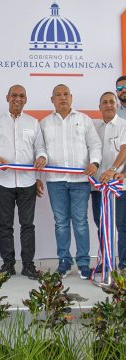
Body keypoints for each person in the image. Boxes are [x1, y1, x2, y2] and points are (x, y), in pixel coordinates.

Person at [0, 85, 47, 280]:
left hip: (27, 182)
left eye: (21, 96)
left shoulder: (33, 123)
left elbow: (40, 149)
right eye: (14, 95)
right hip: (3, 181)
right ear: (7, 97)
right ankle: (8, 265)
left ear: (25, 100)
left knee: (28, 225)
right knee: (5, 225)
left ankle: (28, 265)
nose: (17, 99)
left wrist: (42, 159)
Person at [40, 84, 102, 280]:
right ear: (52, 100)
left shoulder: (84, 120)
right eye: (58, 95)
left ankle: (84, 263)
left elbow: (95, 144)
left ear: (71, 97)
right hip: (55, 181)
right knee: (61, 223)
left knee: (81, 223)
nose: (62, 98)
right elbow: (40, 148)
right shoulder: (45, 123)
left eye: (66, 94)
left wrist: (94, 162)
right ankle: (64, 262)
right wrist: (41, 157)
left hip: (80, 180)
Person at [91, 92, 126, 272]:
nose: (108, 105)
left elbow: (125, 149)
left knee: (122, 225)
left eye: (111, 102)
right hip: (98, 187)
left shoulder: (123, 125)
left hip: (119, 186)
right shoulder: (95, 127)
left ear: (116, 105)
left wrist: (115, 171)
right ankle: (105, 261)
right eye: (104, 102)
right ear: (100, 106)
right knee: (102, 225)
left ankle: (124, 264)